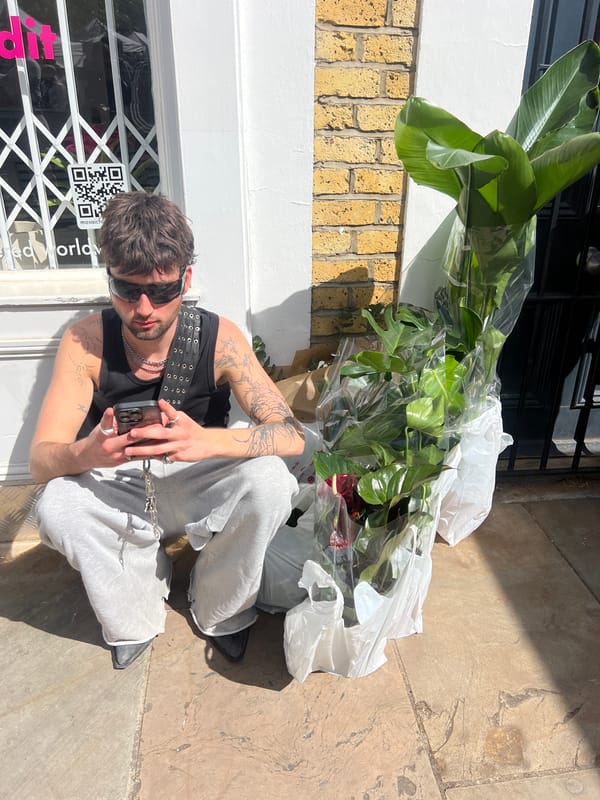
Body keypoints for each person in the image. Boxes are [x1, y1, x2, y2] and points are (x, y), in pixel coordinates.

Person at [30, 192, 304, 669]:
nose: (143, 309)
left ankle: (220, 605)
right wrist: (88, 453)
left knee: (273, 482)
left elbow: (292, 433)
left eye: (161, 291)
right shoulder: (86, 342)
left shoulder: (219, 339)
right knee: (56, 505)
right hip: (123, 485)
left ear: (186, 279)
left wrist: (206, 441)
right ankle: (134, 602)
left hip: (197, 476)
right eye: (125, 289)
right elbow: (41, 460)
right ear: (109, 278)